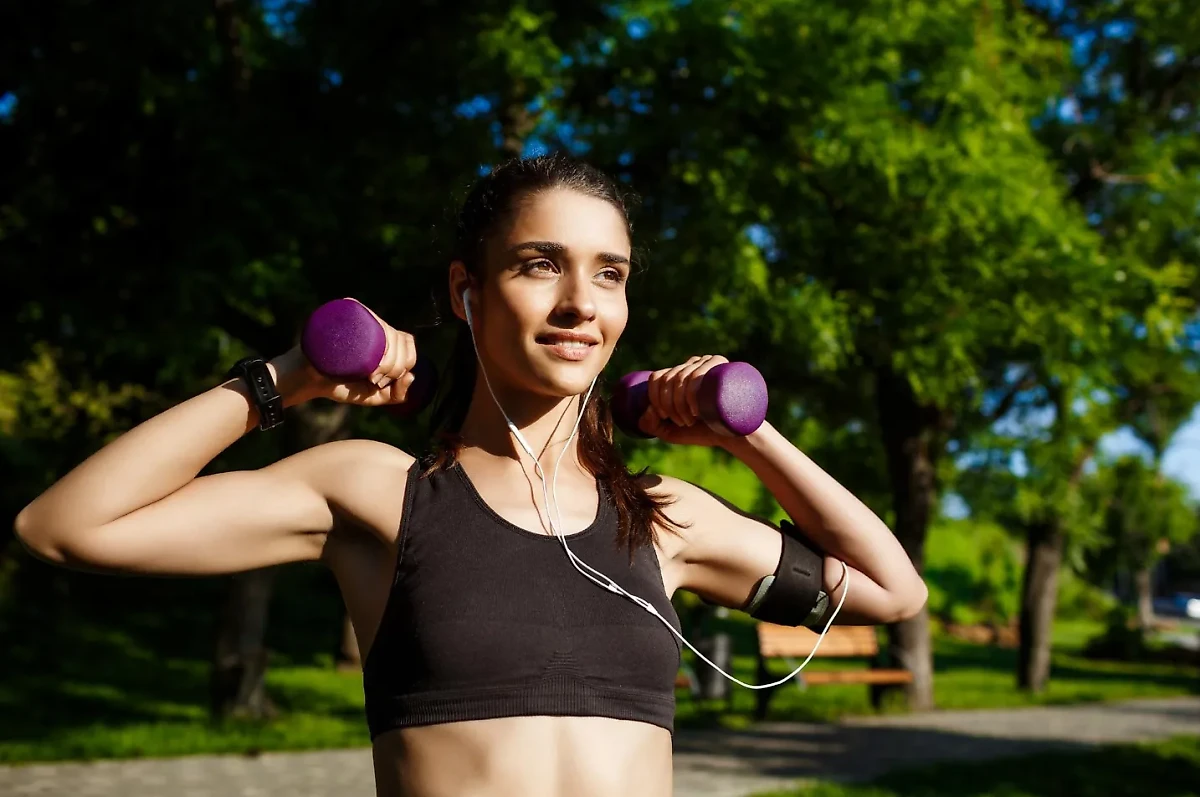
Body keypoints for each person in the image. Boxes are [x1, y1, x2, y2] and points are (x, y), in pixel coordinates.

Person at [14, 154, 927, 797]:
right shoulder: (380, 494)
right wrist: (285, 379)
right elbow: (64, 525)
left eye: (609, 274)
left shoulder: (659, 517)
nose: (580, 303)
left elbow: (892, 590)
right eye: (541, 265)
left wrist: (747, 435)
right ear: (467, 291)